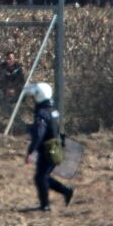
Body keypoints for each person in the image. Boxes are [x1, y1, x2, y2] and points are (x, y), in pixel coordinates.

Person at [24, 83, 73, 211]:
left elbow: (39, 134)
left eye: (34, 96)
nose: (33, 99)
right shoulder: (53, 110)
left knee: (41, 177)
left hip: (48, 149)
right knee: (43, 176)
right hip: (56, 146)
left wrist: (31, 151)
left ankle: (45, 205)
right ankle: (66, 191)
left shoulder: (41, 113)